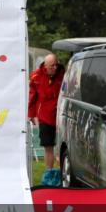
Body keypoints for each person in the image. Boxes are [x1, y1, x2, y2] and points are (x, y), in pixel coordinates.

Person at [28, 53, 66, 187]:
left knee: (63, 146)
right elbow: (32, 97)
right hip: (45, 116)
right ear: (45, 65)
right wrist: (31, 114)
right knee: (48, 146)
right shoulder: (36, 77)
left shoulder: (63, 74)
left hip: (61, 116)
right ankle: (49, 174)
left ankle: (64, 173)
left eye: (56, 65)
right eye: (52, 66)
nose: (54, 68)